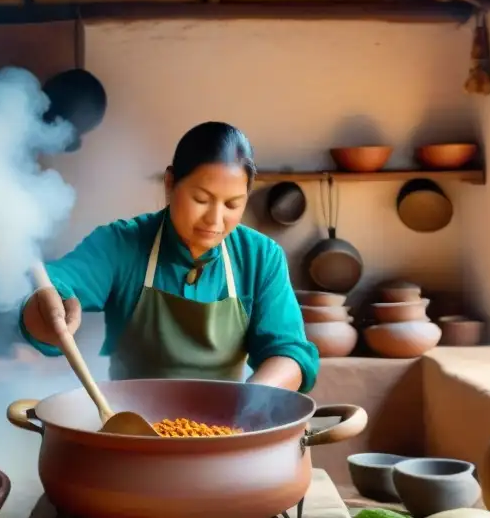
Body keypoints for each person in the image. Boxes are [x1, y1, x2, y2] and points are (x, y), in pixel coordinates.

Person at [19, 121, 319, 392]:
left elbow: (289, 352)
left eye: (232, 204)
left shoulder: (261, 257)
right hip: (131, 431)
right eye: (201, 199)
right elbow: (55, 281)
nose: (215, 220)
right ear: (170, 183)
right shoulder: (121, 242)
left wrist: (250, 400)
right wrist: (47, 307)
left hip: (226, 429)